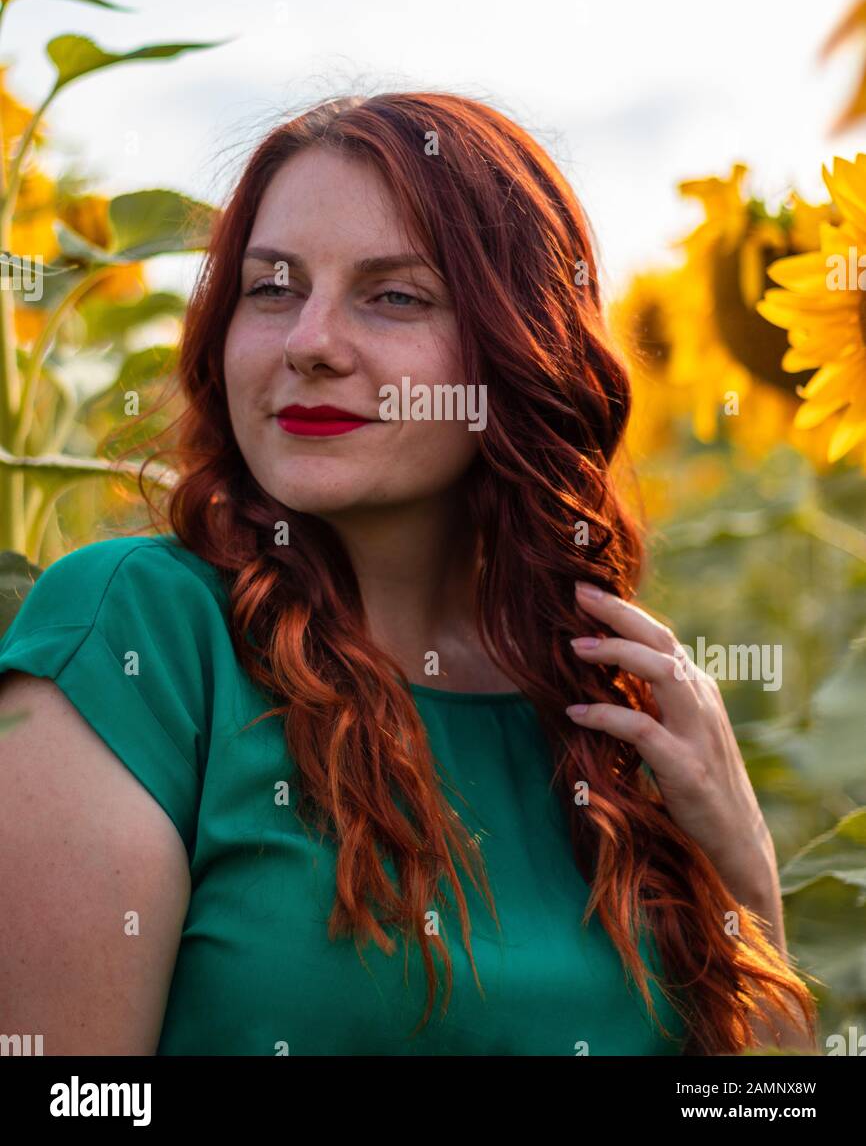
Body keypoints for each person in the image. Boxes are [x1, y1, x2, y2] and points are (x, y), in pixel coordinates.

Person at [0, 92, 818, 1056]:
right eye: (271, 288)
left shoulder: (609, 708)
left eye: (394, 295)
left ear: (524, 351)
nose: (309, 341)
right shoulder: (140, 640)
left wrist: (748, 881)